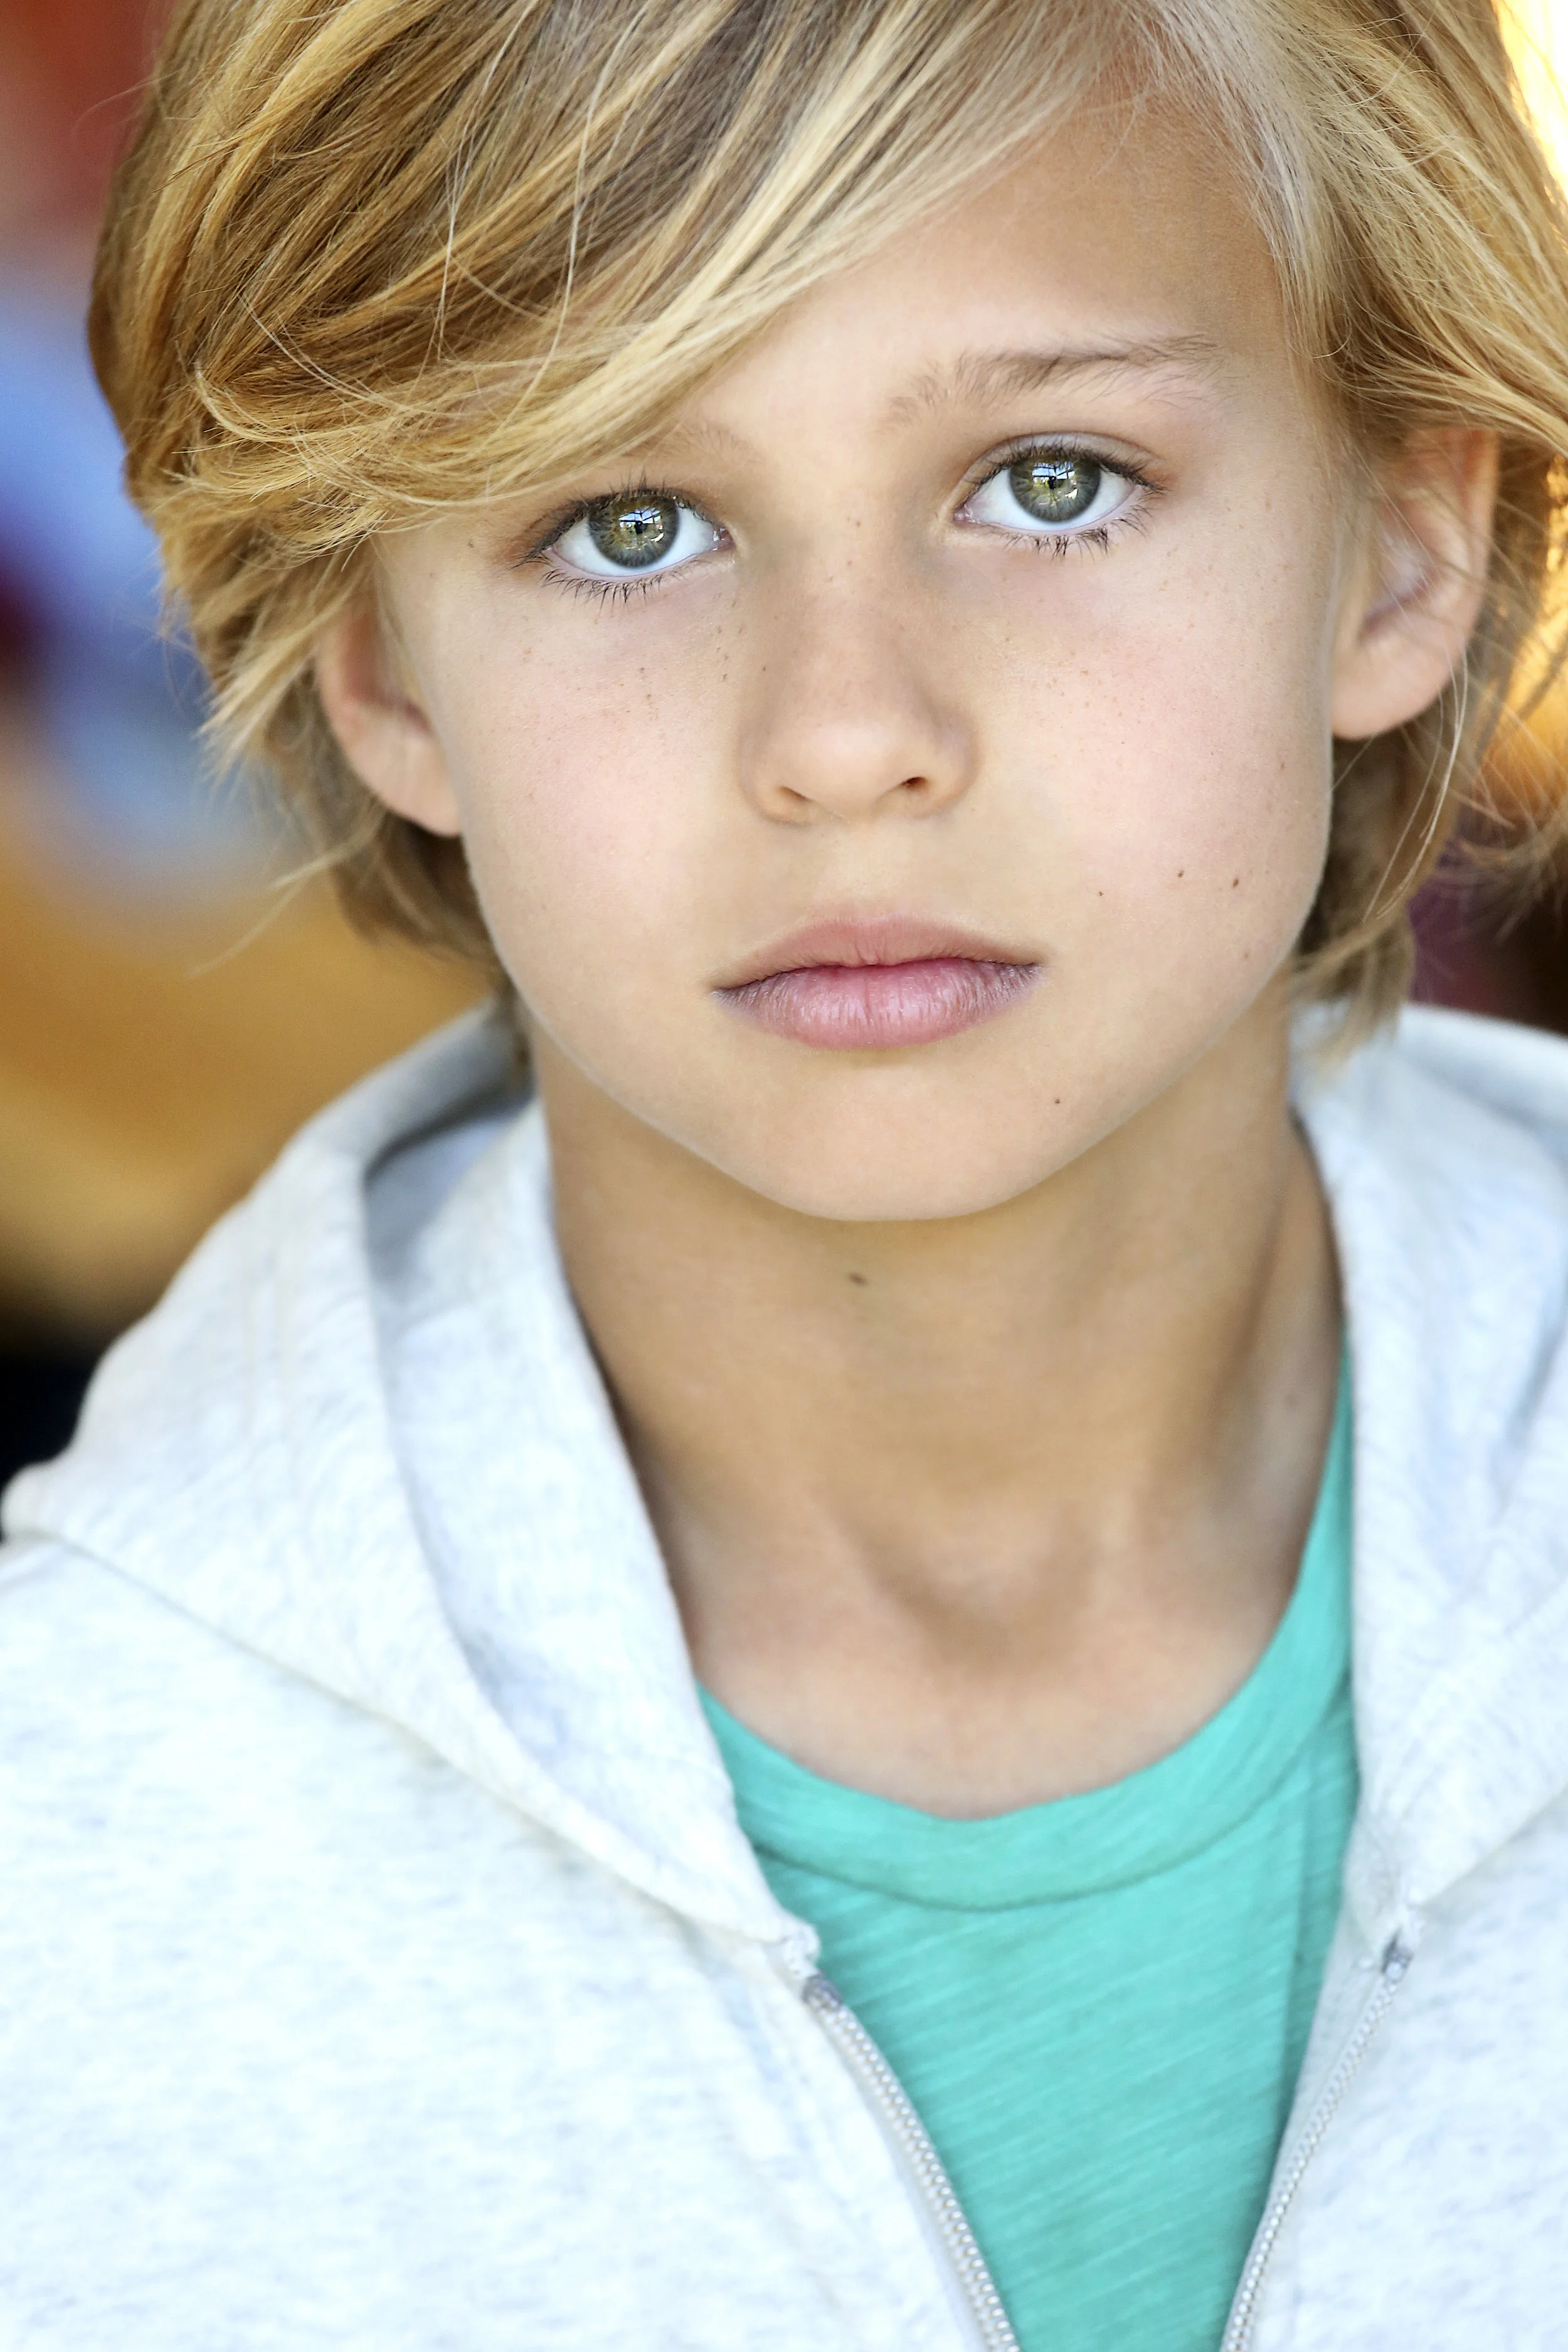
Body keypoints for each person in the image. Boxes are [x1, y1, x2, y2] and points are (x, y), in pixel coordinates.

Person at [4, 2, 1568, 2344]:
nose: (847, 736)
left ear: (1403, 549)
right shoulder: (72, 1852)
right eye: (626, 524)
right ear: (377, 665)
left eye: (1051, 480)